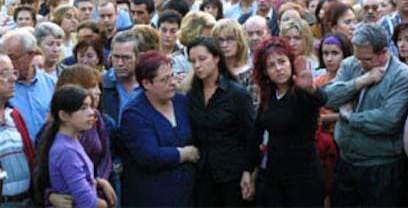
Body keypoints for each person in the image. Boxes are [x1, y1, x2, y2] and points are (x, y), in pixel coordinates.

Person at [323, 24, 408, 206]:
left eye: (368, 60)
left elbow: (388, 120)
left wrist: (350, 117)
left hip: (380, 168)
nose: (361, 64)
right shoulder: (350, 65)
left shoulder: (401, 76)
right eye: (358, 58)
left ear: (384, 52)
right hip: (346, 162)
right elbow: (328, 98)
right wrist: (361, 81)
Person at [241, 37, 326, 206]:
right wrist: (247, 170)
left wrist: (311, 88)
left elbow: (320, 99)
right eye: (271, 65)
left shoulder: (302, 92)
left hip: (303, 177)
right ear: (265, 71)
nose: (278, 68)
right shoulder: (268, 97)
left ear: (290, 62)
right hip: (274, 176)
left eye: (282, 62)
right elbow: (256, 135)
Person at [120, 50, 197, 206]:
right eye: (164, 80)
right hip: (152, 196)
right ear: (147, 84)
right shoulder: (134, 114)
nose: (172, 83)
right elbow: (149, 155)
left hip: (187, 195)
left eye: (172, 76)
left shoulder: (181, 102)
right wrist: (184, 154)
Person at [187, 36, 254, 206]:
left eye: (202, 59)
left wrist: (248, 171)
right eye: (193, 61)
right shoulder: (191, 95)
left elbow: (250, 136)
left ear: (216, 58)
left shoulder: (236, 94)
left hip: (232, 173)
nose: (197, 65)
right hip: (202, 173)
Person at [34, 84, 115, 207]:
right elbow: (87, 202)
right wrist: (106, 204)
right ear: (64, 116)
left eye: (90, 106)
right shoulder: (66, 151)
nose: (91, 113)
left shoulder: (71, 141)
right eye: (83, 108)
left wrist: (97, 182)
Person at [314, 33, 353, 202]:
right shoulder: (318, 81)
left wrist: (329, 118)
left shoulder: (353, 81)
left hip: (346, 143)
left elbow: (355, 113)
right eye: (325, 53)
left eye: (335, 53)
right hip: (323, 145)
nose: (329, 58)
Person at [0, 30, 56, 142]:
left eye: (12, 57)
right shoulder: (4, 89)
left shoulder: (52, 84)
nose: (8, 63)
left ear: (31, 55)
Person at [0, 53, 34, 206]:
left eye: (13, 72)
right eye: (4, 74)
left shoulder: (14, 115)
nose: (13, 78)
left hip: (27, 200)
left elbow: (32, 159)